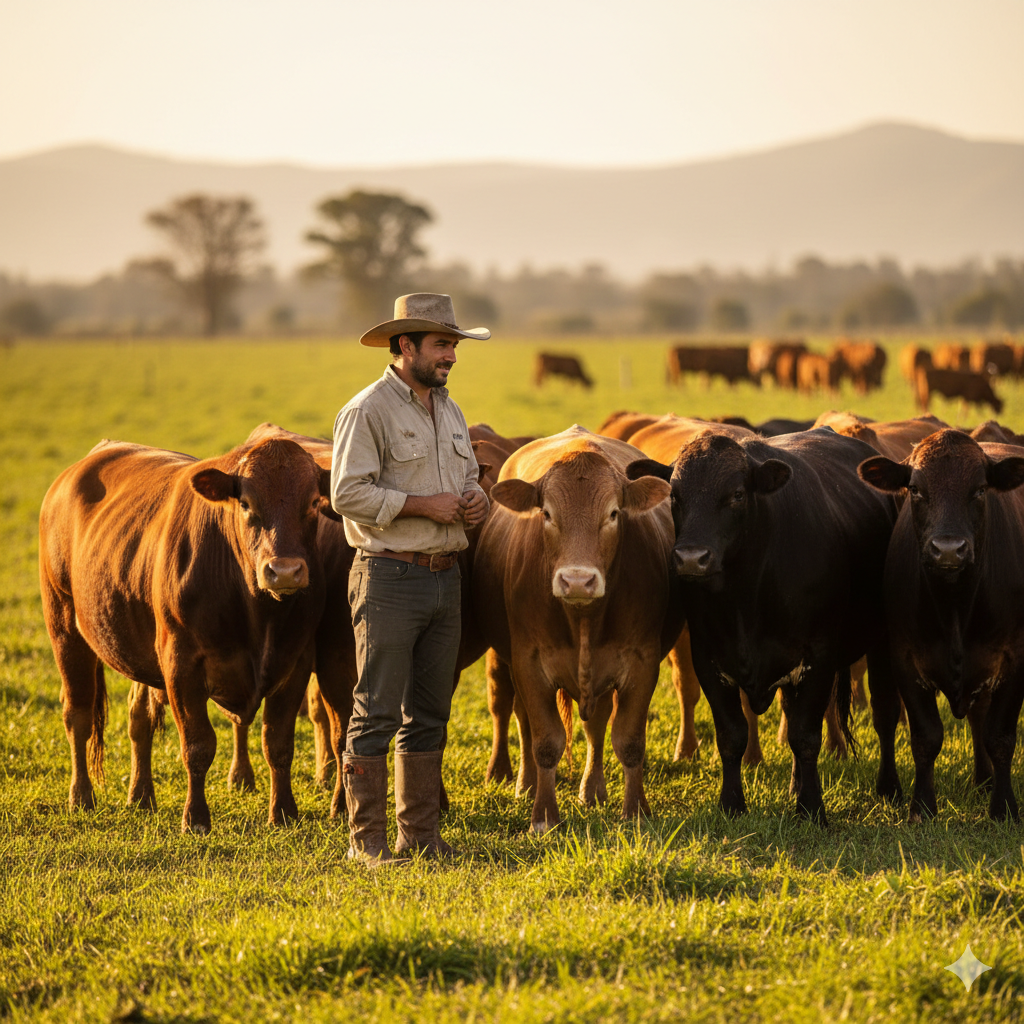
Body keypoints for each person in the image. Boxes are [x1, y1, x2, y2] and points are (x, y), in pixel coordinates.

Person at [330, 293, 490, 865]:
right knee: (375, 710)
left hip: (446, 579)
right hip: (388, 577)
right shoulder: (367, 409)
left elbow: (467, 477)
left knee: (430, 712)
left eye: (454, 344)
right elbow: (345, 493)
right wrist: (425, 506)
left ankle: (419, 838)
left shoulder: (449, 408)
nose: (452, 355)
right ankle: (367, 844)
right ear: (406, 346)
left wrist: (474, 502)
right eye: (442, 344)